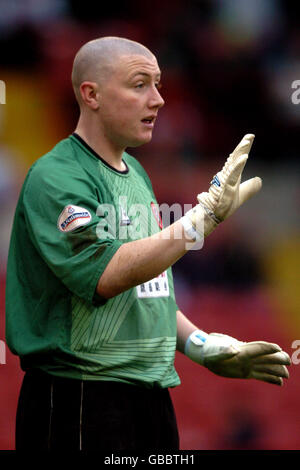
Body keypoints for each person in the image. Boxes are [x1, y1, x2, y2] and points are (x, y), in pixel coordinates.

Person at [5, 36, 291, 451]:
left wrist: (202, 344)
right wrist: (204, 216)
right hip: (81, 397)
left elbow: (147, 289)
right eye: (140, 85)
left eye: (158, 85)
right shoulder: (56, 176)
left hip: (150, 395)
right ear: (92, 95)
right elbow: (105, 274)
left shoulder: (135, 174)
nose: (158, 100)